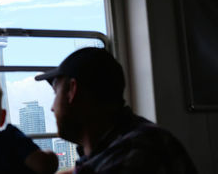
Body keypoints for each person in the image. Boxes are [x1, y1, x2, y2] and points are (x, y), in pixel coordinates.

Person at [35, 47, 198, 174]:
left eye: (56, 93)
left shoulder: (139, 151)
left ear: (72, 90)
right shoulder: (123, 143)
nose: (52, 108)